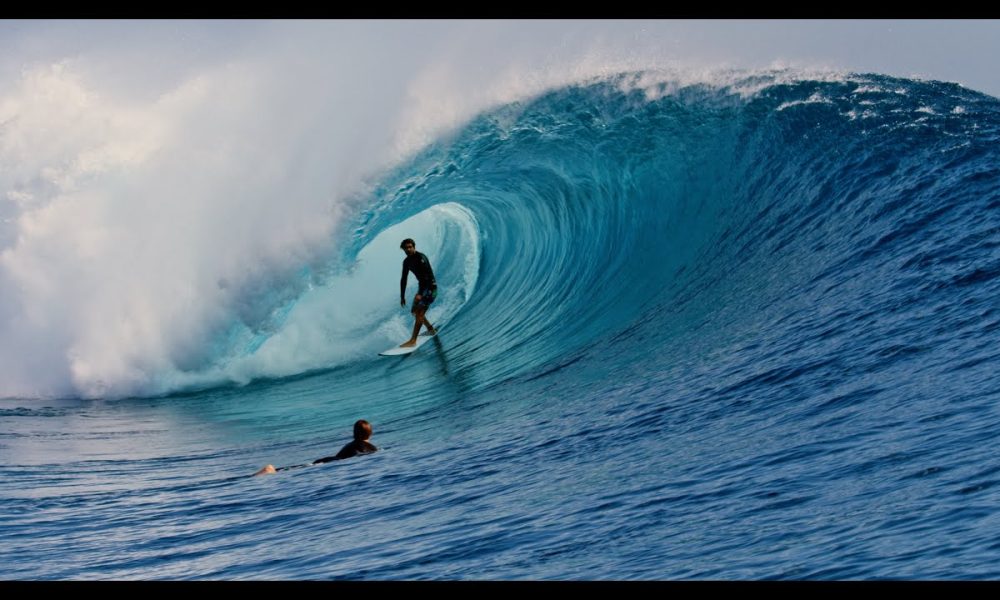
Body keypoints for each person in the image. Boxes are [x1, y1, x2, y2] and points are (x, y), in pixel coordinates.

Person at [253, 419, 377, 476]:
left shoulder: (349, 444)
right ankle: (270, 471)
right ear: (370, 433)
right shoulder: (370, 448)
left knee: (301, 467)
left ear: (354, 433)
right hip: (333, 462)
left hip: (329, 459)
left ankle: (272, 470)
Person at [399, 238, 437, 347]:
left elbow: (428, 276)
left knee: (420, 313)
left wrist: (420, 295)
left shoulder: (421, 258)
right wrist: (402, 296)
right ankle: (431, 329)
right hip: (422, 288)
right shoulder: (406, 262)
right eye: (406, 248)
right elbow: (403, 279)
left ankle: (413, 341)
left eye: (410, 247)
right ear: (403, 249)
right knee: (415, 311)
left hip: (431, 287)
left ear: (414, 247)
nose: (408, 249)